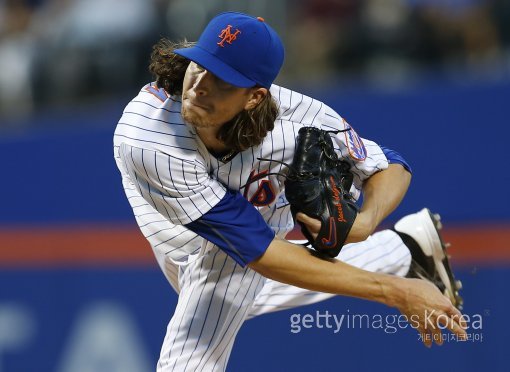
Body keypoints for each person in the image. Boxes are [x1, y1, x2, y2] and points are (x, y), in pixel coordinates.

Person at [113, 11, 465, 371]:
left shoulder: (295, 120)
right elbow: (260, 254)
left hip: (251, 213)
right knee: (235, 294)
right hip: (168, 223)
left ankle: (400, 251)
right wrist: (394, 290)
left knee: (197, 338)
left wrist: (365, 221)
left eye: (223, 80)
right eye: (199, 65)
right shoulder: (149, 139)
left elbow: (388, 164)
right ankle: (402, 249)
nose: (201, 84)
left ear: (255, 97)